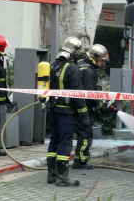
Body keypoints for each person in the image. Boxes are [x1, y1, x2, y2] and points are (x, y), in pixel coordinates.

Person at [47, 36, 89, 187]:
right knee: (65, 142)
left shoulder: (53, 65)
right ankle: (63, 177)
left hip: (52, 110)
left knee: (54, 141)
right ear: (73, 53)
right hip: (66, 113)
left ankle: (51, 175)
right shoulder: (72, 68)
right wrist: (84, 115)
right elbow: (77, 94)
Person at [73, 44, 116, 170]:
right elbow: (89, 97)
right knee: (85, 136)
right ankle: (80, 161)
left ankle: (79, 160)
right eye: (101, 60)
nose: (102, 63)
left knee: (81, 135)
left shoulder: (81, 64)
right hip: (82, 109)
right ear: (94, 58)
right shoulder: (89, 71)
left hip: (73, 107)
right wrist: (101, 106)